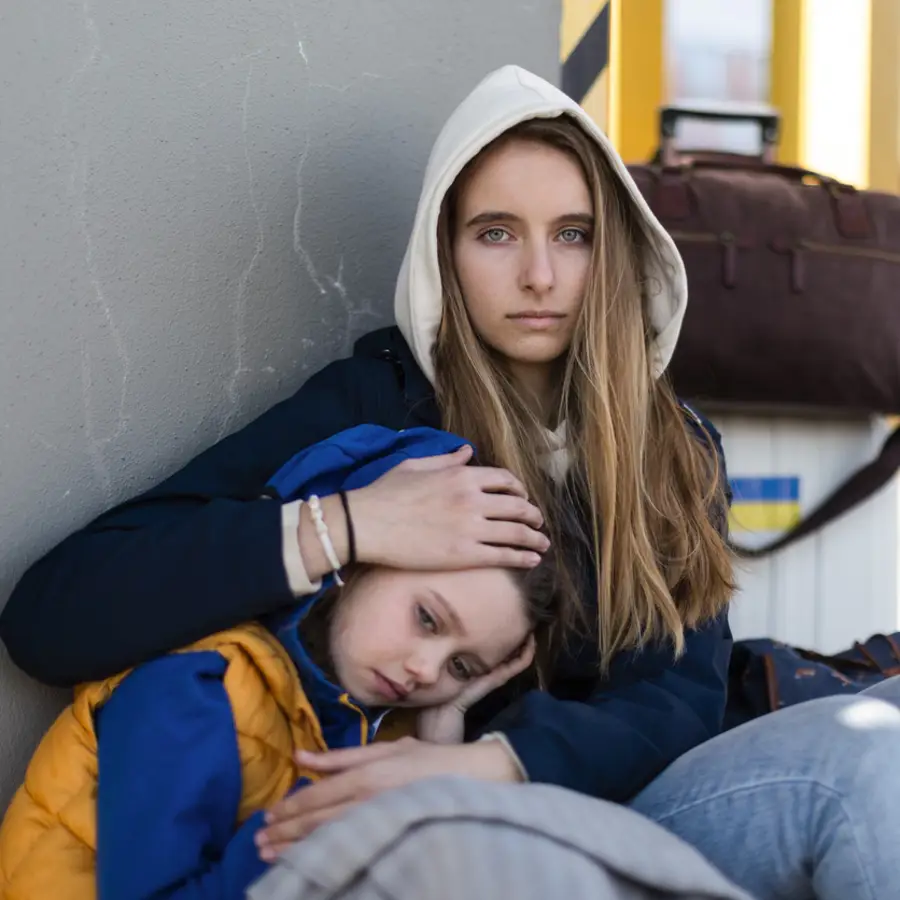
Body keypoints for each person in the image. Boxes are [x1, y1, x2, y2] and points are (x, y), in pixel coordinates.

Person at [1, 64, 896, 900]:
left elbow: (681, 695)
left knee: (874, 742)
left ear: (615, 253)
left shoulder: (674, 444)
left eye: (573, 235)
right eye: (495, 234)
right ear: (445, 250)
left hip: (623, 804)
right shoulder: (382, 407)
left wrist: (492, 759)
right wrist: (344, 524)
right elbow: (52, 618)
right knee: (856, 760)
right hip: (459, 849)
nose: (539, 276)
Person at [0, 424, 557, 899]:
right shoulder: (195, 690)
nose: (425, 670)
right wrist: (332, 821)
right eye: (427, 619)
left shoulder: (378, 730)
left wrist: (440, 743)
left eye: (461, 667)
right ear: (354, 566)